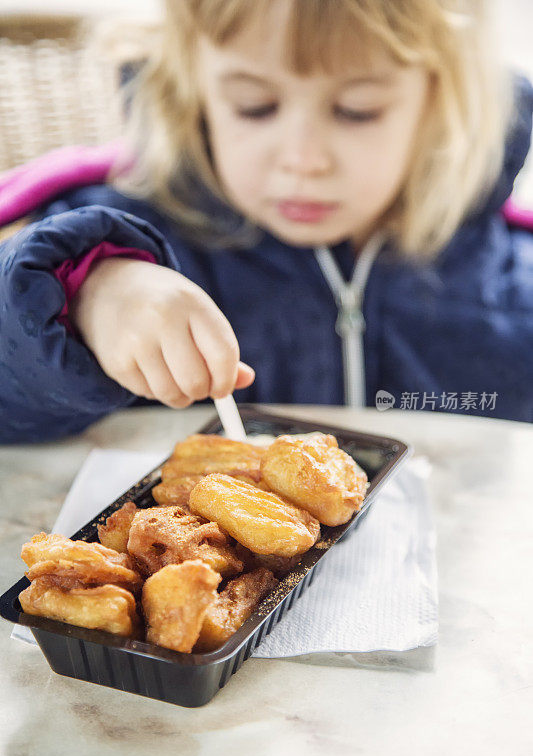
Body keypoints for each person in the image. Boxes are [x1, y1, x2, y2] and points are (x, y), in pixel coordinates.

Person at [0, 0, 532, 444]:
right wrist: (86, 301)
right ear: (192, 89)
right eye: (254, 106)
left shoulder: (504, 278)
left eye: (357, 109)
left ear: (438, 100)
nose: (303, 159)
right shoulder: (110, 231)